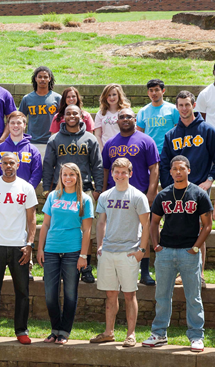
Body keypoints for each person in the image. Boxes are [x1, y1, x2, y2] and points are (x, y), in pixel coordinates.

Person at [143, 156, 212, 352]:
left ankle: (196, 336)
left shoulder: (199, 194)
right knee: (162, 295)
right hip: (165, 251)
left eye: (182, 168)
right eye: (175, 169)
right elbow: (153, 222)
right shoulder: (163, 195)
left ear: (188, 170)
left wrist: (196, 248)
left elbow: (207, 226)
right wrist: (156, 245)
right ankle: (158, 333)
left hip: (189, 252)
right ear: (171, 172)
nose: (178, 172)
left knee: (193, 297)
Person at [0, 154, 38, 344]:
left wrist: (29, 244)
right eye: (5, 163)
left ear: (18, 165)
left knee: (22, 292)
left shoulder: (26, 188)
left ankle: (21, 331)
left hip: (19, 246)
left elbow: (32, 219)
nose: (8, 166)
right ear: (0, 164)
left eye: (12, 163)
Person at [90, 158, 150, 348]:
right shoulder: (105, 196)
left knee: (129, 295)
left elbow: (146, 225)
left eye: (124, 172)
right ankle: (109, 332)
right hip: (108, 251)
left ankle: (130, 334)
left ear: (130, 174)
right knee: (110, 295)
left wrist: (141, 250)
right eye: (117, 172)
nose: (120, 175)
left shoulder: (138, 196)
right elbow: (101, 222)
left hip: (129, 252)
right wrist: (100, 245)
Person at [37, 163, 94, 344]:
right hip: (51, 250)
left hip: (73, 251)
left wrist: (83, 256)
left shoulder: (84, 199)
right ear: (60, 177)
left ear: (77, 176)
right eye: (64, 174)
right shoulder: (53, 196)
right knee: (50, 294)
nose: (67, 178)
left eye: (71, 174)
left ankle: (64, 331)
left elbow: (87, 231)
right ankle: (55, 329)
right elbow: (45, 224)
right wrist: (39, 248)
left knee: (70, 293)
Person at [101, 108, 159, 285]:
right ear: (116, 121)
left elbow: (154, 168)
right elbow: (105, 169)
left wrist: (151, 192)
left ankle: (145, 271)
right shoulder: (110, 143)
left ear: (135, 119)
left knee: (144, 229)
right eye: (121, 117)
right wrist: (103, 189)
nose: (125, 119)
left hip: (139, 193)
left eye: (128, 117)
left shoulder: (146, 140)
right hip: (114, 195)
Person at [160, 91, 215, 192]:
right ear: (176, 107)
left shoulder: (207, 130)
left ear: (194, 105)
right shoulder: (170, 135)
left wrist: (210, 180)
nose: (184, 108)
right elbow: (164, 163)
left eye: (187, 105)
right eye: (181, 105)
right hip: (177, 188)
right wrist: (168, 185)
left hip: (201, 188)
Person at [43, 105, 104, 210]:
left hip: (85, 188)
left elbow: (97, 165)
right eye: (68, 113)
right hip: (61, 189)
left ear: (81, 116)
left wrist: (98, 190)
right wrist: (46, 189)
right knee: (60, 223)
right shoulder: (54, 140)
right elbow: (48, 166)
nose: (72, 116)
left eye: (75, 113)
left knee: (87, 224)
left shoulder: (90, 139)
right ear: (63, 117)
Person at [0, 112, 42, 187]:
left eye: (19, 123)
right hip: (3, 192)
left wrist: (27, 189)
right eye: (12, 123)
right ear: (8, 125)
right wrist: (1, 188)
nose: (15, 126)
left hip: (25, 194)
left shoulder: (33, 150)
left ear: (24, 125)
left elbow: (37, 173)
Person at [18, 66, 60, 154]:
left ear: (50, 79)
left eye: (45, 77)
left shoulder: (57, 98)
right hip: (32, 142)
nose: (42, 79)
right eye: (40, 77)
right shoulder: (27, 99)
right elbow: (19, 120)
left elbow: (62, 120)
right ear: (35, 78)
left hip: (52, 141)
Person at [135, 79, 181, 154]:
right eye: (151, 90)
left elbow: (179, 130)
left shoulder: (173, 109)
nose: (154, 93)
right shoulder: (143, 111)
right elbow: (139, 134)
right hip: (149, 151)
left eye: (157, 90)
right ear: (148, 93)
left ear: (163, 91)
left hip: (168, 151)